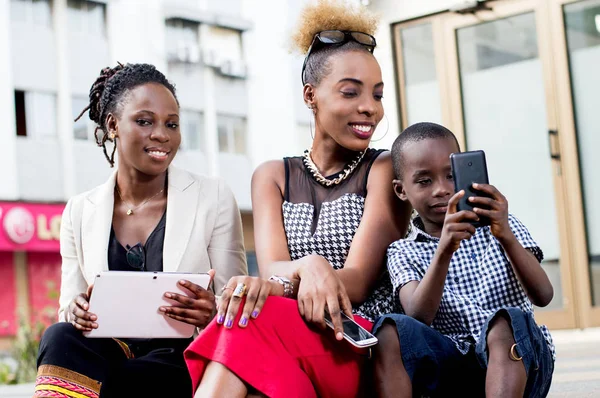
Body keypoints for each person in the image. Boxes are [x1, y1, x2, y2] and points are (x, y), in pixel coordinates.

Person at [184, 1, 412, 397]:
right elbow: (274, 267)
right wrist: (308, 266)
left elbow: (356, 283)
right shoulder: (272, 175)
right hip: (289, 338)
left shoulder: (384, 169)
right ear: (310, 95)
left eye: (376, 95)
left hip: (357, 340)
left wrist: (298, 274)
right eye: (350, 92)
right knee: (246, 320)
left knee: (246, 318)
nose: (369, 108)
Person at [34, 63, 247, 397]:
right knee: (58, 336)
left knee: (124, 379)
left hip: (180, 357)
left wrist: (211, 310)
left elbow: (235, 302)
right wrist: (76, 310)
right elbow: (68, 308)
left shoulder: (213, 196)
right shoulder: (79, 210)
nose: (162, 134)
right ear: (113, 125)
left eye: (172, 124)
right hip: (108, 350)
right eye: (145, 121)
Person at [372, 122, 555, 397]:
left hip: (521, 365)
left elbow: (543, 295)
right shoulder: (402, 251)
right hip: (452, 373)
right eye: (424, 181)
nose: (442, 190)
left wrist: (505, 236)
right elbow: (417, 316)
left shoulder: (503, 227)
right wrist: (443, 250)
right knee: (387, 330)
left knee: (505, 322)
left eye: (450, 175)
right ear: (401, 190)